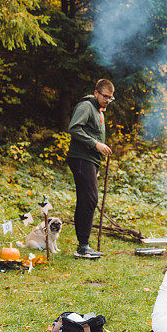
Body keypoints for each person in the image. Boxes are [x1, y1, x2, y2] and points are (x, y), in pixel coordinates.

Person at [66, 79, 115, 257]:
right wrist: (95, 144)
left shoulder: (99, 110)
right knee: (90, 199)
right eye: (105, 96)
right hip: (80, 158)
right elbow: (74, 128)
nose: (108, 100)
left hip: (90, 161)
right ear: (96, 93)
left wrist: (96, 165)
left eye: (110, 98)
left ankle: (82, 245)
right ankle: (83, 246)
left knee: (86, 200)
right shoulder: (86, 106)